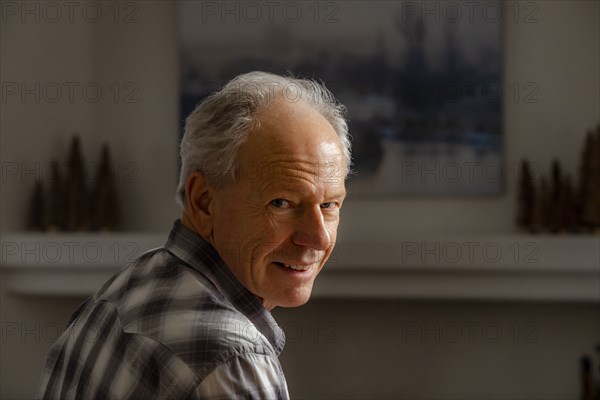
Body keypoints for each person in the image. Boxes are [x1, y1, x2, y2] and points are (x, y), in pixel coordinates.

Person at [37, 71, 351, 399]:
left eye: (329, 205)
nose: (319, 238)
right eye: (282, 203)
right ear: (203, 202)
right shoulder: (232, 360)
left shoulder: (120, 292)